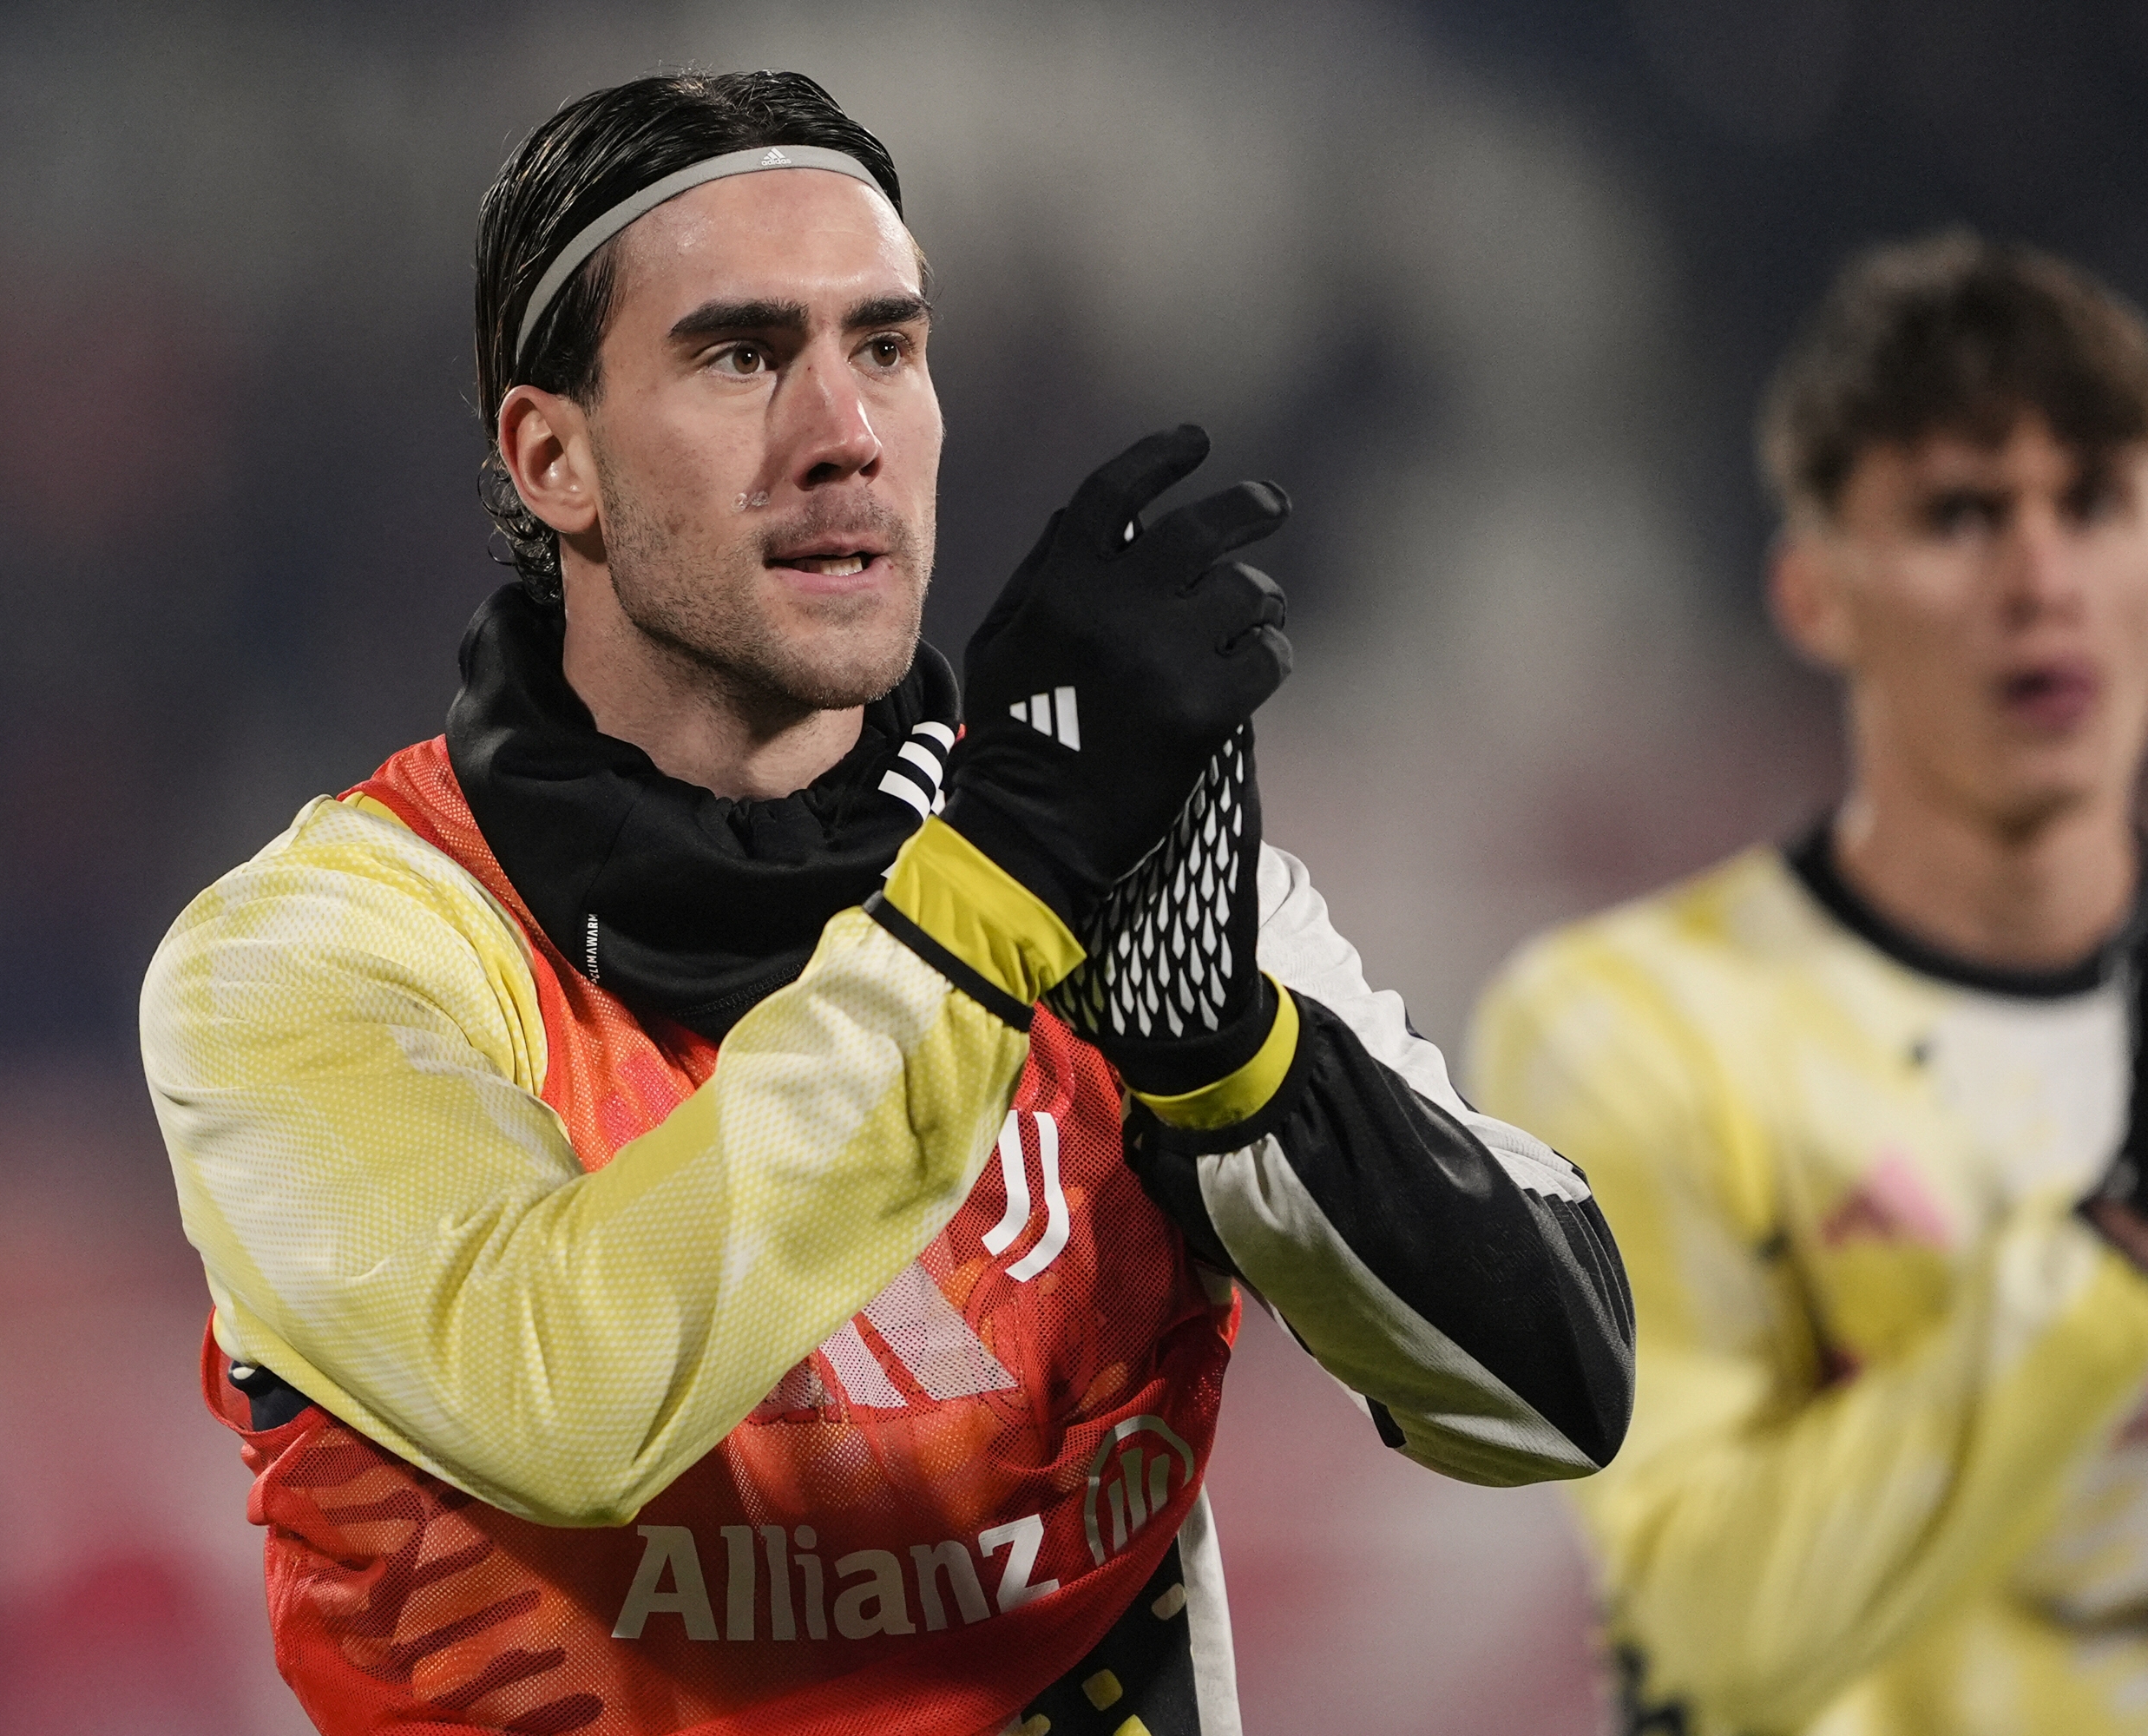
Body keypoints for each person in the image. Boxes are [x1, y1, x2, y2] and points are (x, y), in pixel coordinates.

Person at [144, 69, 1632, 1736]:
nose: (841, 433)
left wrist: (1232, 1056)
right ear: (550, 456)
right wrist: (1000, 885)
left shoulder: (1121, 889)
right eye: (739, 354)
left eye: (887, 348)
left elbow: (1553, 1396)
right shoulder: (318, 957)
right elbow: (566, 1398)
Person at [1469, 230, 2148, 1736]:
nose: (2042, 579)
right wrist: (2109, 1250)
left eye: (2094, 503)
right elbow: (1713, 1631)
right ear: (1815, 593)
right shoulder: (1631, 1028)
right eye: (1962, 516)